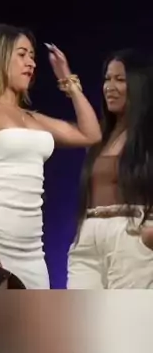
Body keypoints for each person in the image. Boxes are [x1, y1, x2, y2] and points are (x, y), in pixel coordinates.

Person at [0, 24, 102, 289]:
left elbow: (91, 134)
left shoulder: (34, 119)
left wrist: (68, 81)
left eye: (32, 56)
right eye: (22, 54)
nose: (31, 63)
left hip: (32, 254)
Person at [68, 48, 153, 289]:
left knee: (125, 312)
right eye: (107, 79)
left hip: (130, 235)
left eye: (120, 80)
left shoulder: (148, 136)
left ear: (138, 84)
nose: (110, 87)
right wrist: (70, 85)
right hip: (89, 235)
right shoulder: (101, 135)